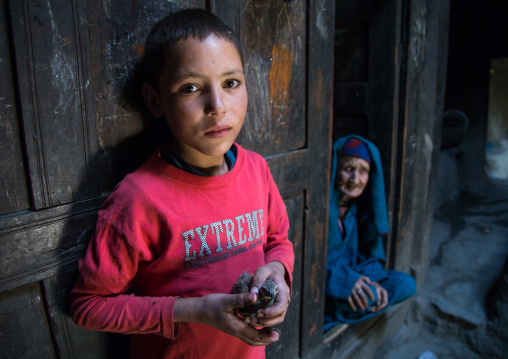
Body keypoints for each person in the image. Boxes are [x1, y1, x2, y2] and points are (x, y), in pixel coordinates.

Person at [70, 8, 294, 359]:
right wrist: (193, 310)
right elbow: (88, 305)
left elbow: (278, 241)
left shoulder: (257, 170)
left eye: (231, 83)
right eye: (190, 88)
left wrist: (279, 274)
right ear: (155, 100)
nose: (217, 107)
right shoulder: (139, 199)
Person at [324, 135, 416, 331]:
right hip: (325, 287)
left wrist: (374, 281)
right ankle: (329, 316)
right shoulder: (319, 208)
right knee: (370, 297)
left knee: (406, 284)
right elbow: (305, 264)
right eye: (348, 169)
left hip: (354, 281)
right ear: (335, 169)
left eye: (363, 171)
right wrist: (347, 282)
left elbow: (365, 256)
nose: (355, 180)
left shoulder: (356, 208)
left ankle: (349, 309)